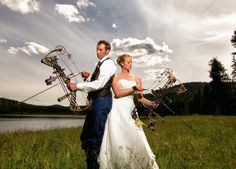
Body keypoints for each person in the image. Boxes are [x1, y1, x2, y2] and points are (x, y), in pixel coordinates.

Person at [97, 54, 159, 169]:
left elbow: (140, 98)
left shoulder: (137, 79)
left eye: (131, 62)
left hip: (130, 110)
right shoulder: (115, 76)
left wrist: (151, 103)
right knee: (117, 137)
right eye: (128, 62)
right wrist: (134, 88)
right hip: (116, 110)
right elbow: (117, 93)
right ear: (121, 63)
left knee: (137, 134)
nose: (131, 64)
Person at [69, 40, 117, 169]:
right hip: (96, 102)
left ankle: (94, 163)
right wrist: (87, 77)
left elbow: (99, 84)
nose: (97, 52)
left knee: (95, 138)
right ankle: (92, 162)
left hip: (102, 101)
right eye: (97, 49)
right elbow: (95, 82)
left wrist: (77, 86)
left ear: (107, 51)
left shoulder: (108, 64)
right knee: (86, 136)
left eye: (100, 49)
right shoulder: (100, 65)